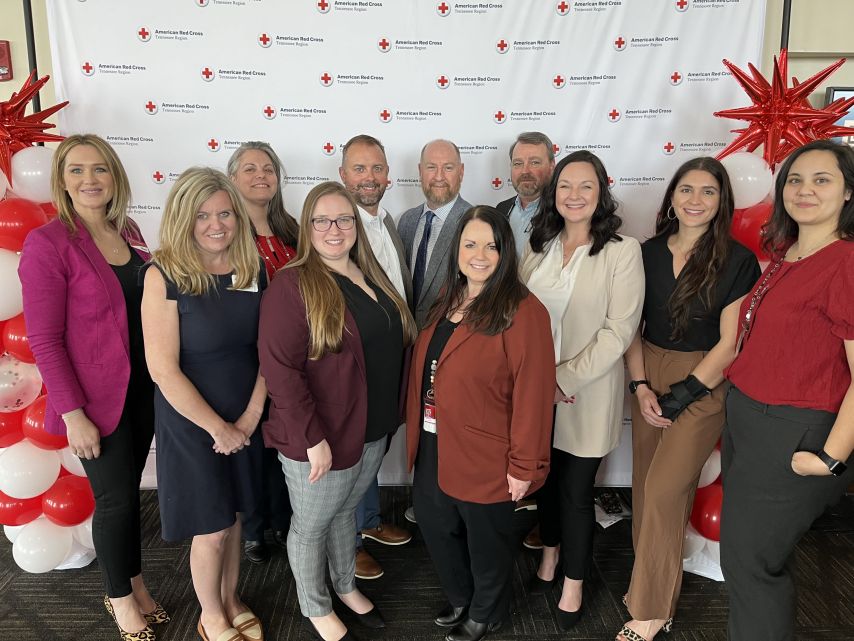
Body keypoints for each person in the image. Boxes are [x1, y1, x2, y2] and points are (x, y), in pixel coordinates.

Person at [18, 134, 167, 641]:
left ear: (115, 177)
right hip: (94, 401)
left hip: (143, 389)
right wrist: (73, 413)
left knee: (126, 496)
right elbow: (44, 338)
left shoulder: (129, 230)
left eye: (100, 169)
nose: (89, 180)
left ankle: (137, 582)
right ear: (62, 179)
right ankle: (119, 598)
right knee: (116, 501)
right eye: (77, 170)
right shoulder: (49, 243)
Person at [259, 181, 416, 641]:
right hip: (319, 437)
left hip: (370, 428)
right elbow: (281, 370)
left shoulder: (369, 273)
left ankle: (345, 585)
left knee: (346, 513)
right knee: (310, 527)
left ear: (356, 226)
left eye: (343, 219)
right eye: (322, 220)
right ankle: (315, 605)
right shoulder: (292, 285)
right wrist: (311, 439)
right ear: (307, 227)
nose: (334, 228)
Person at [618, 157, 760, 641]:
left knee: (665, 491)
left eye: (708, 192)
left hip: (704, 379)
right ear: (672, 196)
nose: (695, 200)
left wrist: (686, 393)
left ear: (722, 202)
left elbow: (730, 343)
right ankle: (649, 582)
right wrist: (639, 387)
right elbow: (629, 327)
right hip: (646, 370)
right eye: (686, 189)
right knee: (643, 486)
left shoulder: (739, 261)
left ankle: (652, 608)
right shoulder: (645, 252)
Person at [720, 139, 854, 641]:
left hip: (795, 431)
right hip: (749, 418)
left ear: (848, 193)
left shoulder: (846, 262)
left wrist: (832, 458)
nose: (804, 190)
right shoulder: (787, 253)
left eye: (823, 180)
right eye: (795, 179)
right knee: (754, 559)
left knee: (752, 565)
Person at [407, 206, 554, 641]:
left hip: (488, 453)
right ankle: (461, 597)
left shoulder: (524, 311)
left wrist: (524, 466)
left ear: (505, 252)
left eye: (491, 246)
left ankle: (487, 611)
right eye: (470, 244)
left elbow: (534, 394)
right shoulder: (447, 299)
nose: (480, 255)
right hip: (434, 442)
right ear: (457, 250)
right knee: (436, 527)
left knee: (485, 542)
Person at [519, 150, 644, 631]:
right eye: (565, 185)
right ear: (554, 193)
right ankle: (549, 559)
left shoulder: (621, 251)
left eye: (585, 186)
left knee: (574, 491)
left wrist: (561, 379)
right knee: (544, 485)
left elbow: (619, 330)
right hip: (534, 394)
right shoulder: (538, 245)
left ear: (601, 193)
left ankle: (574, 583)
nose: (574, 195)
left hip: (584, 394)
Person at [141, 167, 267, 641]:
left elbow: (270, 351)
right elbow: (163, 369)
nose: (217, 224)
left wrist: (250, 418)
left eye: (225, 213)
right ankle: (210, 615)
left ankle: (233, 599)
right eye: (203, 215)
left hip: (245, 415)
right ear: (182, 218)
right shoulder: (164, 275)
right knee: (211, 526)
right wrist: (219, 428)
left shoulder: (252, 268)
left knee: (235, 517)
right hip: (193, 422)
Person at [338, 134, 413, 580]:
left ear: (388, 175)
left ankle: (365, 523)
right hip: (358, 361)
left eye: (377, 168)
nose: (369, 178)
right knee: (355, 450)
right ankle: (346, 546)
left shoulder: (387, 223)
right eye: (359, 169)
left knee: (375, 446)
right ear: (343, 175)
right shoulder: (340, 229)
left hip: (391, 355)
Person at [227, 141, 297, 564]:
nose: (261, 175)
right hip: (246, 359)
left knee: (284, 444)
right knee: (250, 445)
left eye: (269, 168)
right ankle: (254, 528)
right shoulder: (225, 230)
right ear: (233, 178)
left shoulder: (292, 228)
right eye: (250, 168)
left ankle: (283, 519)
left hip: (292, 358)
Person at [397, 138, 472, 524]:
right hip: (412, 345)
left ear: (461, 172)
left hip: (454, 347)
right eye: (431, 167)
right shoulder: (407, 220)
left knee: (450, 429)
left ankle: (451, 505)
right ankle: (425, 498)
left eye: (448, 167)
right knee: (421, 426)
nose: (439, 176)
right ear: (420, 172)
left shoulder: (476, 220)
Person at [496, 131, 556, 257]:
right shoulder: (501, 209)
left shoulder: (562, 212)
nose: (525, 171)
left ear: (552, 166)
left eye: (534, 162)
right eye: (518, 163)